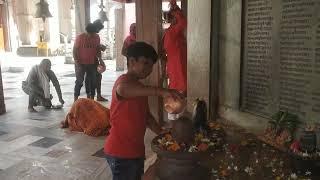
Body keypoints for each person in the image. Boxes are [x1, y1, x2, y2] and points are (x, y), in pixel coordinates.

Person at [104, 42, 183, 180]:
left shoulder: (139, 88)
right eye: (145, 63)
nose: (149, 69)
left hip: (135, 150)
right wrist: (161, 91)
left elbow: (146, 117)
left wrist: (162, 133)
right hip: (120, 151)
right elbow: (122, 90)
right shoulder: (124, 81)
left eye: (151, 66)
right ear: (132, 61)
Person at [162, 0, 187, 121]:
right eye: (176, 18)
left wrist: (175, 9)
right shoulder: (173, 32)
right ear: (173, 19)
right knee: (178, 94)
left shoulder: (171, 32)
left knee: (177, 93)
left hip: (176, 67)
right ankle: (175, 121)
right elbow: (183, 22)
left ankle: (175, 120)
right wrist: (175, 8)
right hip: (178, 68)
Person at [73, 23, 103, 102]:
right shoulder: (80, 38)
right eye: (89, 34)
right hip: (80, 63)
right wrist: (77, 62)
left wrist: (100, 60)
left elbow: (97, 50)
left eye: (93, 33)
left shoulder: (96, 37)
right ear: (86, 32)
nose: (91, 35)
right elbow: (74, 50)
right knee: (79, 81)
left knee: (92, 81)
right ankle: (75, 99)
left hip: (92, 63)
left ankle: (91, 99)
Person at [84, 19, 108, 101]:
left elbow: (97, 48)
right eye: (98, 29)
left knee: (98, 77)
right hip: (87, 61)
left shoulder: (97, 37)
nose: (98, 31)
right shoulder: (86, 37)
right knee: (90, 79)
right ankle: (90, 97)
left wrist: (101, 49)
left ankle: (98, 96)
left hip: (95, 60)